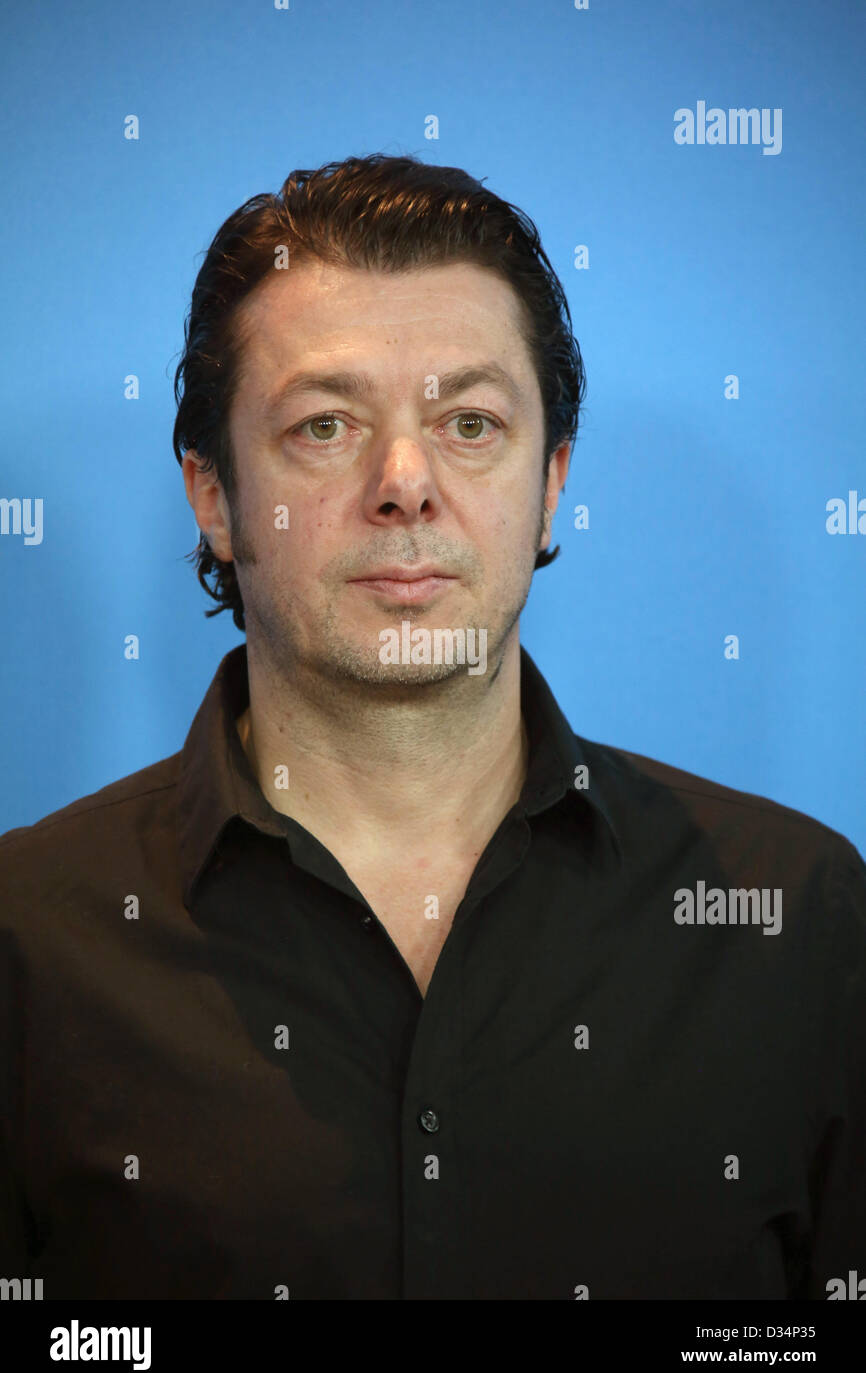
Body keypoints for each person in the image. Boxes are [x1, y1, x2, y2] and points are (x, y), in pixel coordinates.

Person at [1, 153, 864, 1300]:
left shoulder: (796, 917)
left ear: (550, 481)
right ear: (211, 493)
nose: (404, 483)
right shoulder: (28, 941)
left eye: (468, 422)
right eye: (322, 426)